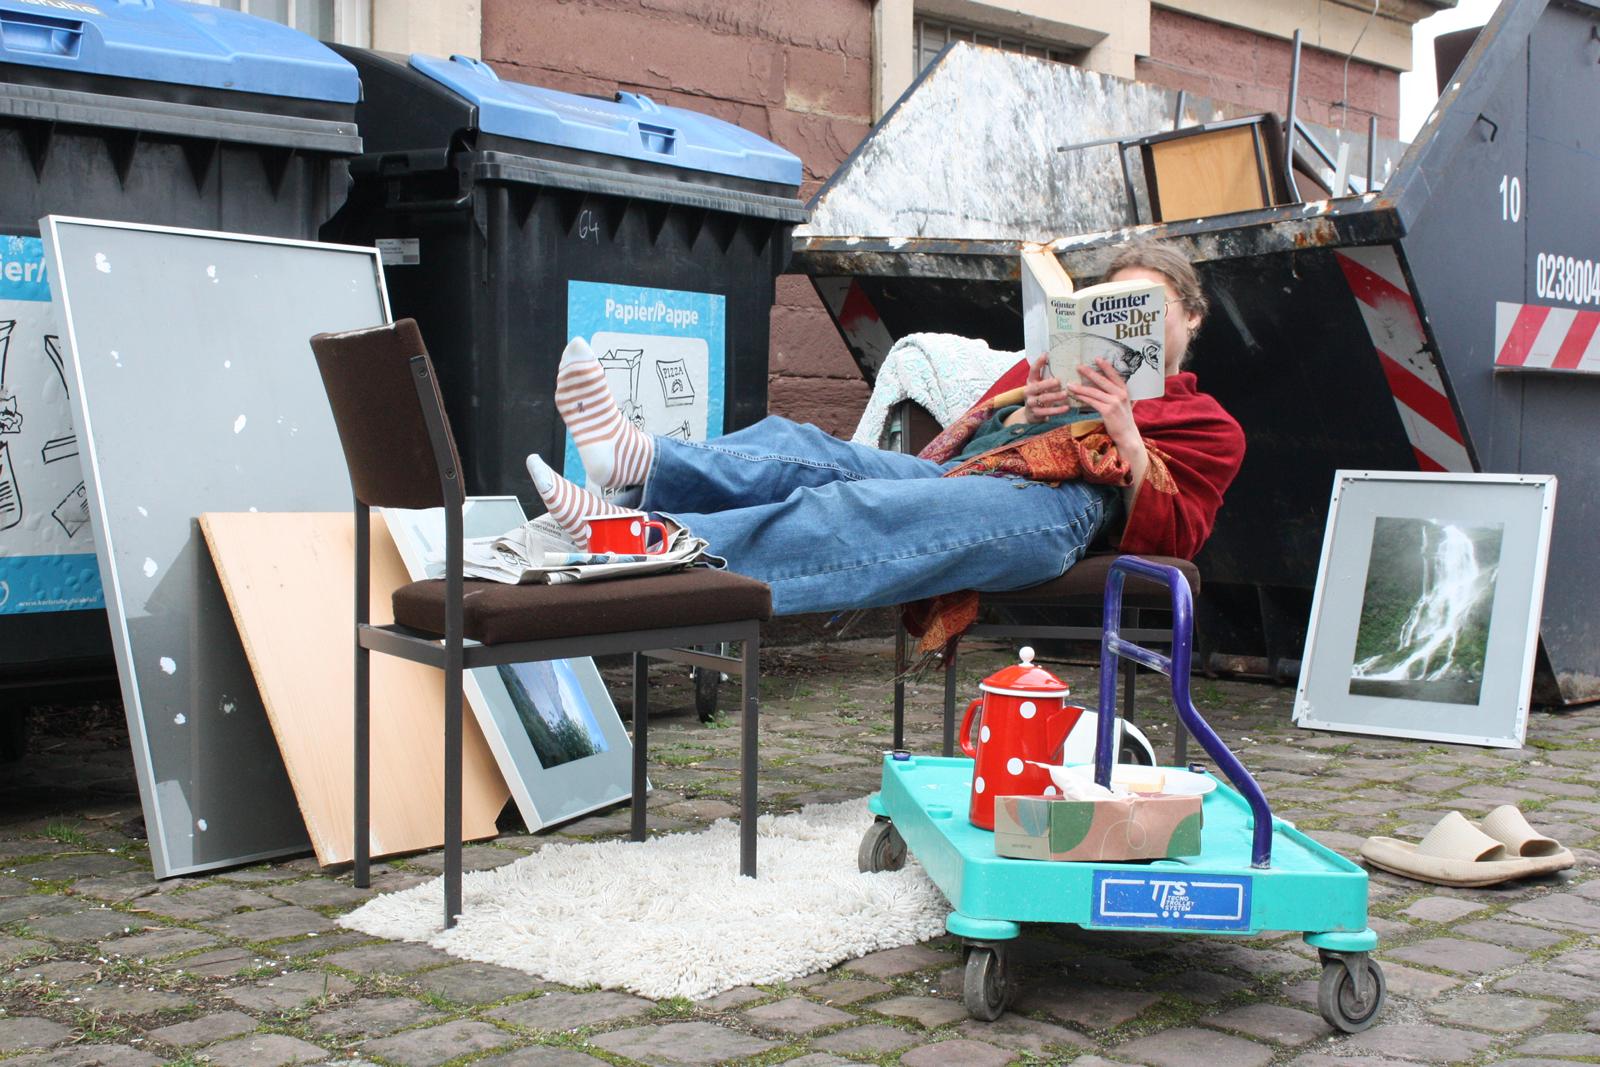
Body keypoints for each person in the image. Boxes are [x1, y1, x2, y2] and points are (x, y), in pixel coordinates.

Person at [528, 241, 1245, 646]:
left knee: (858, 509)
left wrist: (1122, 431)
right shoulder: (1048, 369)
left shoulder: (1209, 422)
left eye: (1151, 303)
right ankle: (640, 460)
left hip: (1061, 513)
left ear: (1188, 315)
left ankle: (641, 540)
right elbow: (976, 439)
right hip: (979, 477)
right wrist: (1028, 415)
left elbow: (1176, 535)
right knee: (807, 448)